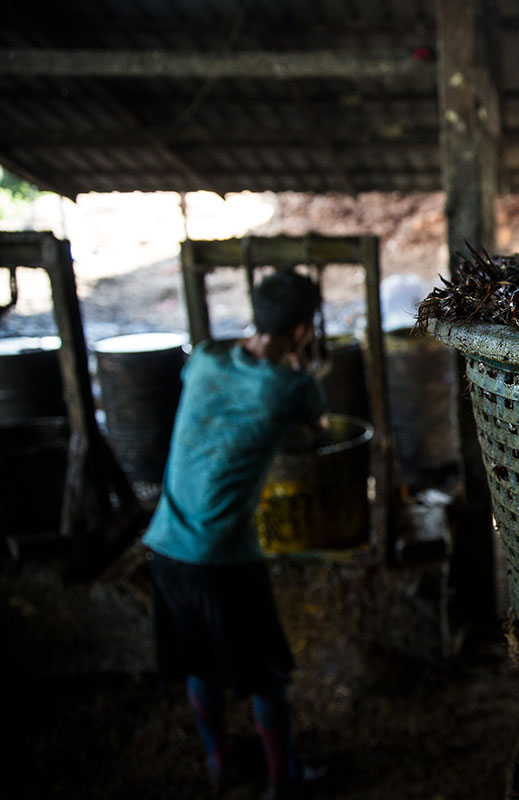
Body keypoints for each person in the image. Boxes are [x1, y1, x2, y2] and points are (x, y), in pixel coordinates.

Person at [142, 269, 327, 798]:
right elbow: (317, 431)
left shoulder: (202, 358)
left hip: (166, 547)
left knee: (200, 665)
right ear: (300, 330)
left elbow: (220, 376)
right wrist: (298, 364)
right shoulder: (294, 387)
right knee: (267, 678)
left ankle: (220, 762)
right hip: (222, 558)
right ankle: (282, 781)